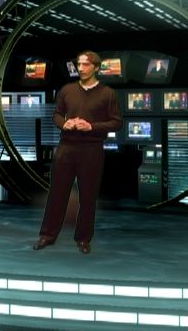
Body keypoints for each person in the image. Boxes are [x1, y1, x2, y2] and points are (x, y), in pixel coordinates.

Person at [33, 50, 123, 254]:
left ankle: (83, 239)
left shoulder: (108, 94)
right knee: (57, 193)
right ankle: (47, 235)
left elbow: (117, 123)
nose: (80, 68)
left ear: (96, 68)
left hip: (91, 149)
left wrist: (92, 127)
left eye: (86, 65)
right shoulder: (67, 90)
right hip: (66, 147)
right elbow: (57, 115)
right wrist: (64, 123)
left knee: (88, 196)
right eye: (79, 64)